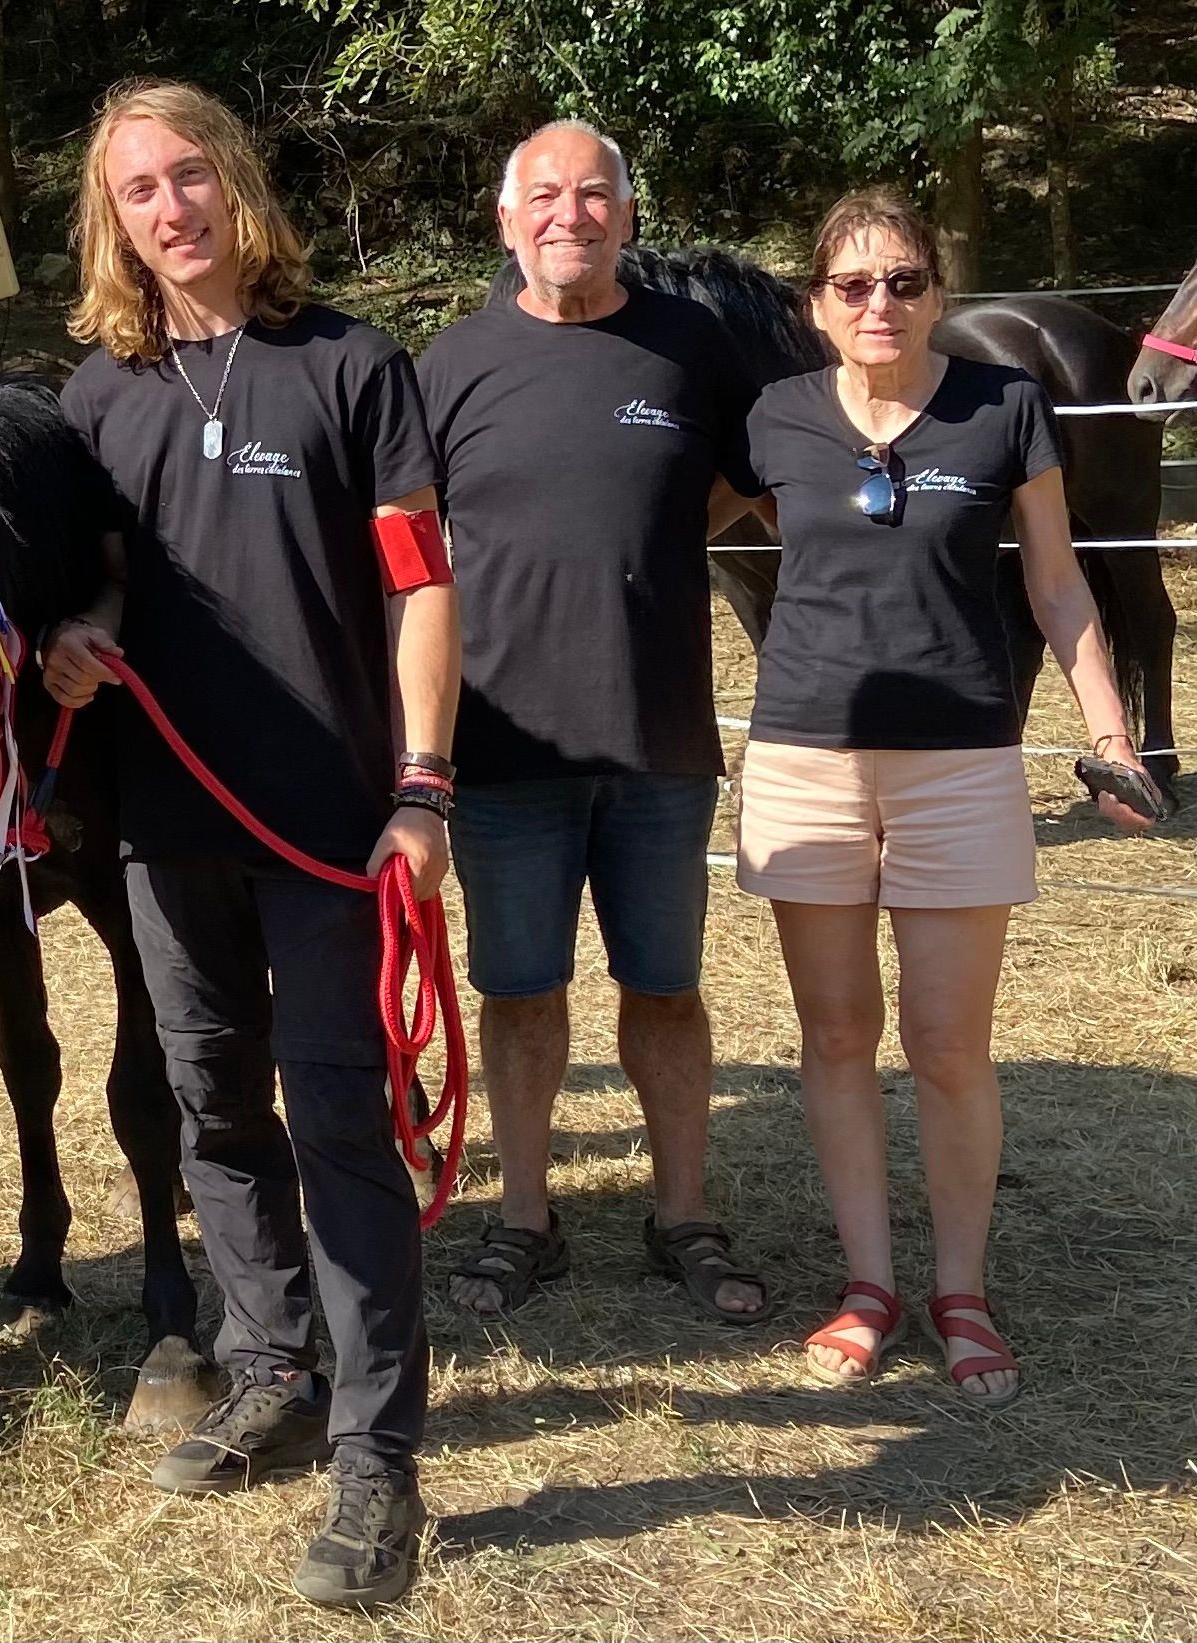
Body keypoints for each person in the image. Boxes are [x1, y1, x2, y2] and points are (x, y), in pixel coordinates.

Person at [44, 79, 458, 1607]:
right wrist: (81, 637)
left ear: (237, 185)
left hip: (334, 823)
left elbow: (422, 582)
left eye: (190, 175)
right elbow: (94, 588)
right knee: (214, 1099)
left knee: (341, 1114)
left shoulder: (349, 363)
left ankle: (378, 1447)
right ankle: (269, 1357)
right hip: (166, 825)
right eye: (138, 190)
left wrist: (422, 788)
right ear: (115, 219)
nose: (171, 208)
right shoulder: (96, 395)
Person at [736, 187, 1152, 1406]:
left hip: (961, 765)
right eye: (853, 284)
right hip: (802, 765)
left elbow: (1059, 588)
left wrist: (1109, 728)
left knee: (947, 1046)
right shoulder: (769, 419)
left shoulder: (1003, 407)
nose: (881, 303)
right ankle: (867, 1284)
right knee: (832, 1035)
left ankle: (958, 1289)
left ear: (936, 291)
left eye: (904, 280)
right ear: (816, 304)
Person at [417, 120, 772, 1323]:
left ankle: (684, 1216)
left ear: (625, 215)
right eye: (543, 197)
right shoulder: (449, 362)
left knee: (664, 987)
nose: (568, 215)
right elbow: (405, 549)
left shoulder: (692, 349)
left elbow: (758, 478)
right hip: (505, 748)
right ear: (505, 219)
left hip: (660, 745)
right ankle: (524, 1218)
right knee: (518, 994)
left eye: (592, 195)